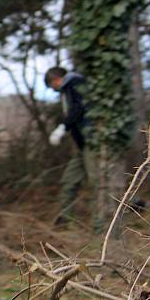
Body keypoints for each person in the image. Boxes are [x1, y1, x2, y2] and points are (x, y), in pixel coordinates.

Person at [44, 66, 99, 225]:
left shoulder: (75, 82)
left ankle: (103, 223)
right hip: (82, 146)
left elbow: (78, 108)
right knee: (69, 180)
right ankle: (64, 219)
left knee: (97, 182)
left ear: (55, 79)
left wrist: (63, 127)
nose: (54, 90)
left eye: (51, 85)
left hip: (91, 142)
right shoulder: (68, 89)